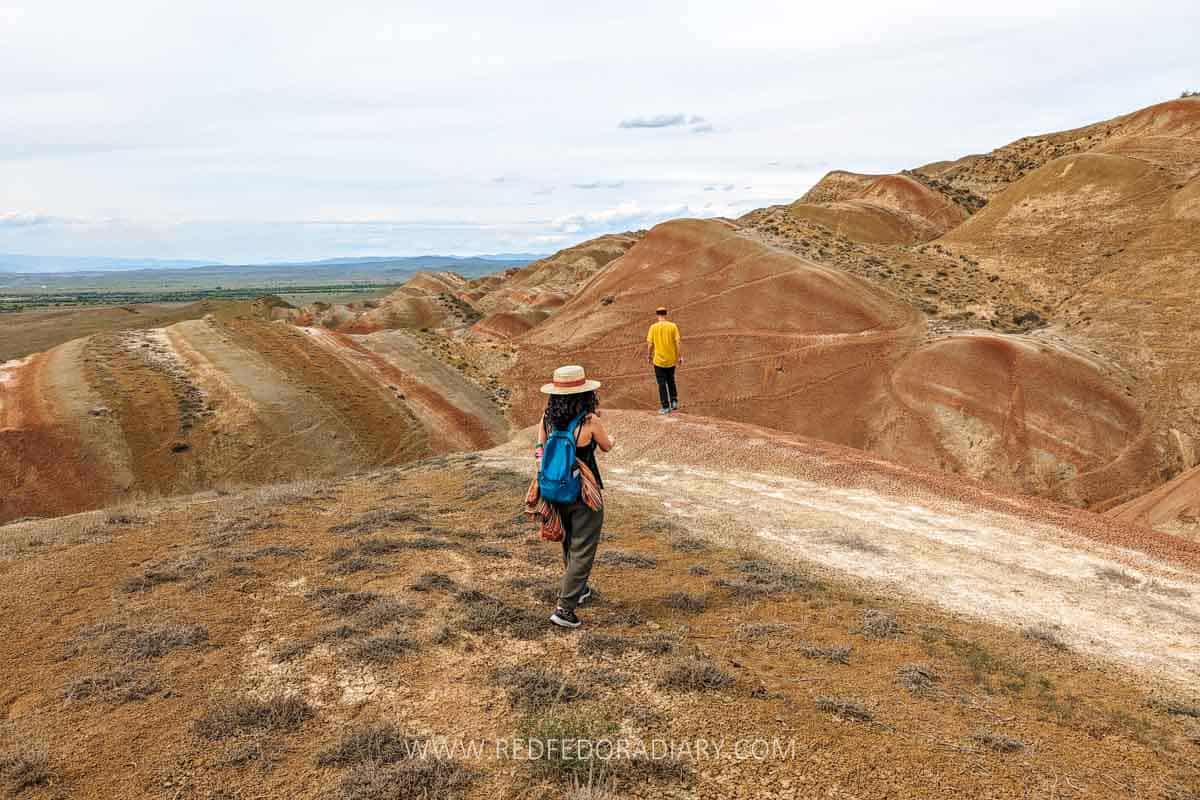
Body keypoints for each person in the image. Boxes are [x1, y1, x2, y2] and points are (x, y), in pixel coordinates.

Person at [530, 365, 614, 629]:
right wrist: (611, 438)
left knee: (568, 541)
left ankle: (581, 589)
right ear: (585, 394)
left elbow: (539, 450)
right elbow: (606, 447)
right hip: (584, 494)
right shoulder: (589, 422)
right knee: (583, 548)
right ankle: (564, 610)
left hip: (553, 491)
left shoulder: (546, 419)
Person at [645, 306, 682, 414]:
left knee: (661, 383)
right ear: (666, 314)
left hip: (659, 361)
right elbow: (678, 342)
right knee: (671, 380)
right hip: (671, 360)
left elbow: (650, 344)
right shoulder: (673, 326)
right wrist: (679, 356)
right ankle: (674, 401)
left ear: (657, 315)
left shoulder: (653, 327)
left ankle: (665, 407)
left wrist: (649, 356)